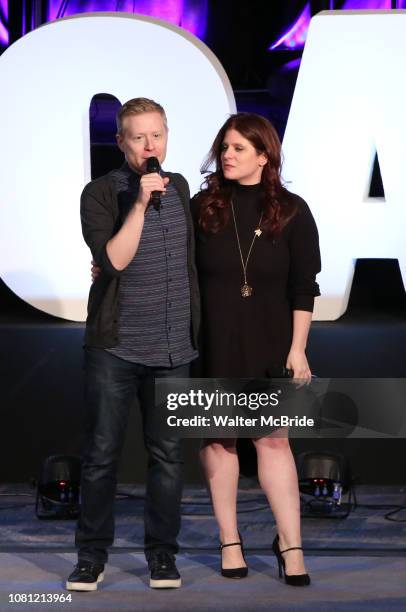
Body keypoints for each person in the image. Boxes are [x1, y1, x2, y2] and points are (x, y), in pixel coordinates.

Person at [66, 98, 200, 591]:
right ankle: (90, 557)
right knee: (102, 455)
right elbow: (115, 260)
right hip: (115, 347)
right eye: (138, 137)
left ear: (167, 137)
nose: (150, 146)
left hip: (173, 349)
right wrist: (141, 203)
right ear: (121, 142)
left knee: (167, 457)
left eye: (157, 136)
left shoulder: (181, 187)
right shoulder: (100, 193)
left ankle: (162, 555)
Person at [192, 112, 321, 586]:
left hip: (271, 341)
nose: (227, 155)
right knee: (220, 439)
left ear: (263, 156)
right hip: (213, 343)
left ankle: (291, 546)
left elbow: (304, 287)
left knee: (273, 440)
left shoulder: (291, 211)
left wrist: (298, 350)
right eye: (224, 147)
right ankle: (229, 540)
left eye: (239, 148)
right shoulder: (202, 207)